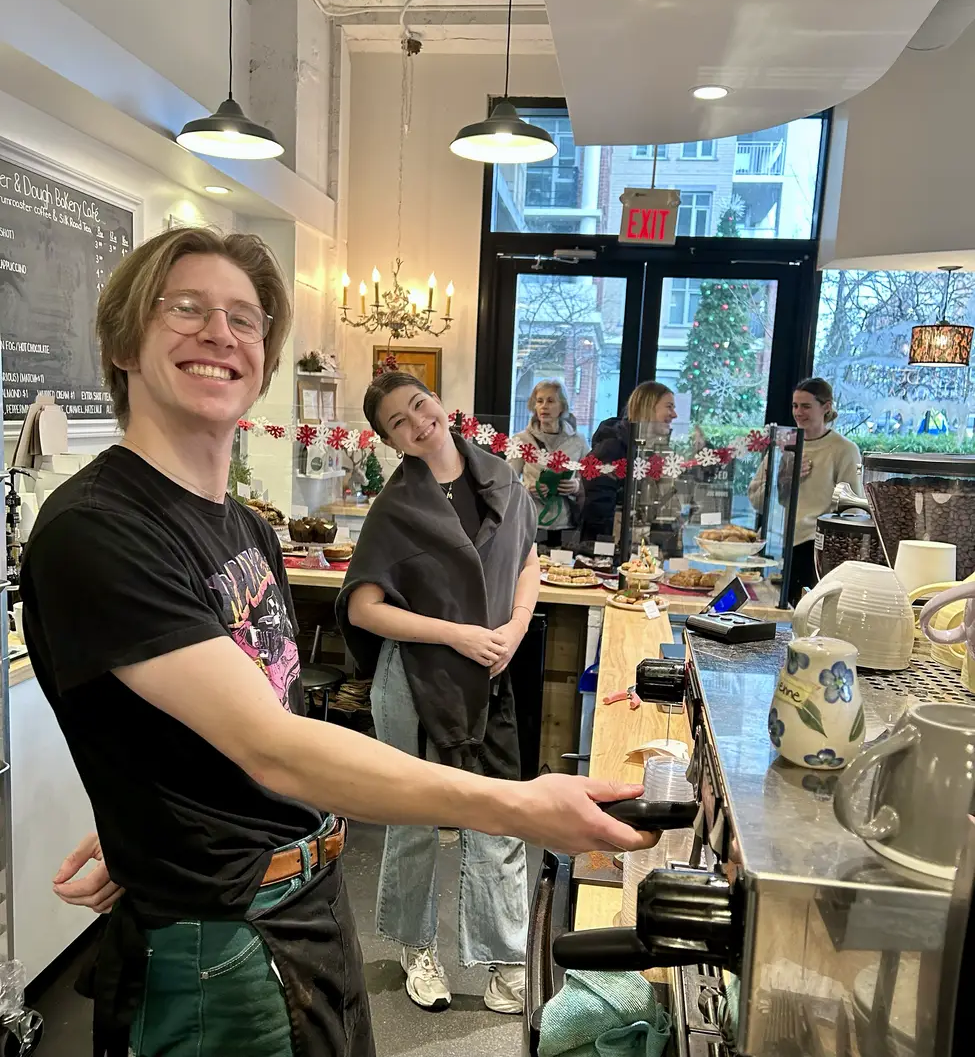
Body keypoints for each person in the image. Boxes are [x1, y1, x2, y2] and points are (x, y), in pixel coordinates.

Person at [23, 227, 659, 1057]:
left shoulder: (245, 526)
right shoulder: (99, 528)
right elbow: (274, 746)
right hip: (222, 942)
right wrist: (518, 805)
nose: (220, 334)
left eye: (244, 319)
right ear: (121, 342)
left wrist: (148, 818)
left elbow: (238, 712)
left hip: (306, 903)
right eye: (184, 309)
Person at [336, 370, 539, 1015]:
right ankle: (415, 947)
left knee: (500, 812)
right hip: (416, 679)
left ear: (440, 403)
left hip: (491, 673)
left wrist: (514, 629)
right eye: (399, 422)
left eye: (420, 405)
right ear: (391, 441)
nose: (418, 422)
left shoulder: (502, 480)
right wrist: (456, 634)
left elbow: (528, 561)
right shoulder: (396, 509)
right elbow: (364, 608)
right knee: (416, 818)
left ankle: (505, 957)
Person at [748, 377, 861, 605]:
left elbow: (852, 510)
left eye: (806, 406)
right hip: (773, 545)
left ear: (826, 407)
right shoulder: (783, 446)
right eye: (795, 406)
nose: (798, 413)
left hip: (813, 548)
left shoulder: (844, 449)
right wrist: (783, 478)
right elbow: (756, 500)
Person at [579, 382, 679, 546]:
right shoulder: (612, 448)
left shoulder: (654, 451)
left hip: (640, 545)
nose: (674, 415)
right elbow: (598, 511)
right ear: (648, 407)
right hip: (609, 547)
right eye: (669, 407)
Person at [509, 380, 587, 547]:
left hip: (566, 523)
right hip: (531, 521)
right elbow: (508, 481)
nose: (544, 406)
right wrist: (527, 489)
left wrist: (576, 486)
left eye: (550, 401)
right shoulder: (521, 440)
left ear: (562, 407)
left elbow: (590, 479)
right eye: (539, 401)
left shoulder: (578, 441)